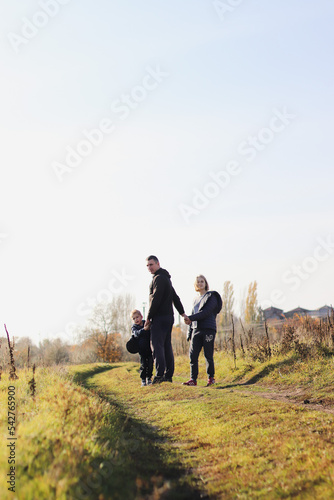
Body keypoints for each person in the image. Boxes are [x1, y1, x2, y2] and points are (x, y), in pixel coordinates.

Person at [145, 255, 188, 384]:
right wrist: (182, 313)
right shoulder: (166, 278)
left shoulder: (158, 279)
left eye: (151, 264)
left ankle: (159, 376)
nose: (149, 268)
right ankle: (168, 375)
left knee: (157, 346)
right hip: (169, 317)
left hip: (159, 318)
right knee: (166, 346)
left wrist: (149, 317)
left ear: (158, 263)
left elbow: (156, 299)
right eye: (147, 266)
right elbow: (175, 297)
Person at [183, 275, 222, 387]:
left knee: (208, 354)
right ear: (195, 285)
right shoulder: (195, 299)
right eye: (198, 282)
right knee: (193, 356)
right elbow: (193, 316)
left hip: (208, 329)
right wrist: (189, 331)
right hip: (196, 329)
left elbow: (205, 312)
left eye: (202, 281)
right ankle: (193, 379)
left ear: (205, 283)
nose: (200, 283)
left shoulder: (211, 296)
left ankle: (211, 378)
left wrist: (190, 317)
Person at [130, 309, 154, 387]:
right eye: (134, 319)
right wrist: (144, 329)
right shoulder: (134, 327)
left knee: (150, 364)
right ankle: (143, 379)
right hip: (141, 349)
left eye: (137, 317)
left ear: (141, 317)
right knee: (143, 365)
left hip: (149, 348)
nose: (136, 320)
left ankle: (149, 378)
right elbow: (136, 334)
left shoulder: (146, 323)